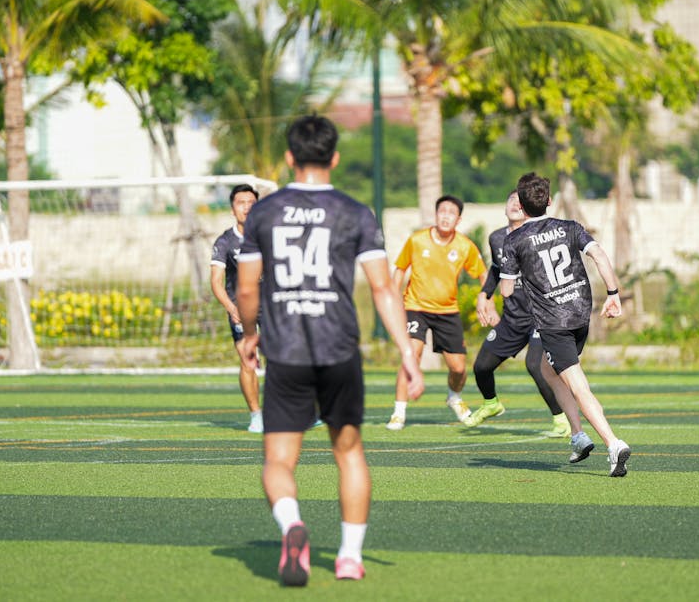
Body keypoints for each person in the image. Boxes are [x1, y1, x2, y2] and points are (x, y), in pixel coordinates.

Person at [235, 114, 424, 587]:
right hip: (339, 348)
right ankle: (348, 558)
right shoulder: (356, 212)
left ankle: (293, 525)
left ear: (289, 157)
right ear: (335, 157)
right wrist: (406, 350)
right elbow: (382, 288)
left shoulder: (263, 212)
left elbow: (246, 288)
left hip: (287, 351)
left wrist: (250, 333)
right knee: (349, 451)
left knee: (278, 460)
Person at [499, 172, 631, 477]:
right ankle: (577, 435)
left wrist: (513, 269)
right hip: (580, 315)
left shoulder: (514, 240)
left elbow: (506, 290)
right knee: (548, 370)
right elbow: (598, 255)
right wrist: (613, 294)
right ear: (549, 200)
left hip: (554, 324)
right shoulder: (570, 227)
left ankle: (613, 443)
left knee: (578, 386)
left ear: (520, 204)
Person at [466, 190, 570, 437]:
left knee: (535, 365)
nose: (514, 203)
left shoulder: (540, 237)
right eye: (510, 199)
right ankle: (491, 404)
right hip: (512, 319)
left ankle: (562, 419)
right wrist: (484, 295)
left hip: (540, 315)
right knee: (481, 367)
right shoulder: (496, 238)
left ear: (528, 209)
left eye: (519, 201)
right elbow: (495, 269)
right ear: (504, 208)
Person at [386, 195, 488, 430]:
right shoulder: (417, 240)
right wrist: (392, 298)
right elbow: (400, 269)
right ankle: (398, 412)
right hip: (415, 307)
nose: (446, 216)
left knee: (459, 368)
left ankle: (454, 396)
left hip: (448, 312)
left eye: (451, 213)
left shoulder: (464, 246)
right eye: (442, 211)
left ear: (458, 219)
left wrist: (485, 299)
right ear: (435, 214)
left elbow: (483, 274)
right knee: (412, 355)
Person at [210, 184, 263, 433]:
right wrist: (231, 308)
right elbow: (216, 282)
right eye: (241, 202)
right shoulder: (225, 242)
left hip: (272, 308)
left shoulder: (270, 236)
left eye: (251, 202)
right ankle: (256, 417)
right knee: (248, 361)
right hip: (241, 309)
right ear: (233, 209)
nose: (247, 207)